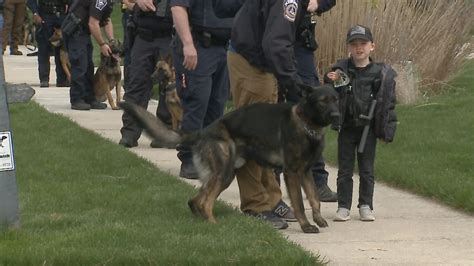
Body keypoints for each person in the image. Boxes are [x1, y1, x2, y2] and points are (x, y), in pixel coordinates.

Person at [227, 0, 319, 230]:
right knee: (252, 137)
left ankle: (271, 198)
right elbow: (276, 43)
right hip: (253, 66)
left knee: (268, 138)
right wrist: (292, 83)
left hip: (258, 63)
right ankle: (255, 204)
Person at [325, 25, 397, 222]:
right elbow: (330, 91)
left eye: (363, 44)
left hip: (369, 130)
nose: (359, 48)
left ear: (372, 46)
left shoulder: (380, 73)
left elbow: (388, 104)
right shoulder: (341, 69)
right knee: (345, 169)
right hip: (347, 127)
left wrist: (387, 130)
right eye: (354, 44)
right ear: (348, 47)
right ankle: (343, 206)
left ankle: (365, 205)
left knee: (366, 169)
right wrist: (330, 80)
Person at [169, 0, 232, 179]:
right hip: (198, 45)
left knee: (216, 107)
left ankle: (207, 157)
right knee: (197, 103)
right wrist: (188, 44)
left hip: (223, 47)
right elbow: (178, 7)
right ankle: (189, 159)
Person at [292, 0, 338, 202]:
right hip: (273, 42)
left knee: (314, 111)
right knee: (276, 109)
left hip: (301, 44)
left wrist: (317, 4)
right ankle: (270, 182)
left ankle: (318, 181)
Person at [118, 0, 174, 148]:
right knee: (136, 84)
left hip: (169, 35)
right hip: (143, 35)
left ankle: (164, 132)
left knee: (168, 88)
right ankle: (130, 133)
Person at [63, 0, 115, 110]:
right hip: (76, 30)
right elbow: (93, 23)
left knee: (88, 66)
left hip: (83, 32)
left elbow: (106, 20)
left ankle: (89, 98)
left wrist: (111, 40)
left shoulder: (108, 1)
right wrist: (102, 44)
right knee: (80, 65)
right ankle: (77, 99)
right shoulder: (101, 0)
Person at [27, 0, 69, 88]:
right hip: (44, 14)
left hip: (61, 13)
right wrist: (35, 13)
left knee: (62, 48)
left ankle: (62, 79)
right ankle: (44, 79)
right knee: (43, 49)